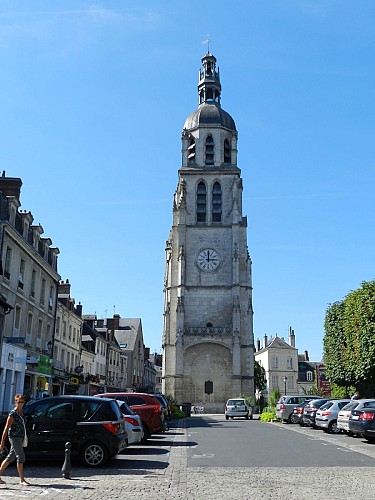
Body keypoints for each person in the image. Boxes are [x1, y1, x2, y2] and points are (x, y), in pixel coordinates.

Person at [0, 394, 31, 486]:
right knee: (20, 456)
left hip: (21, 437)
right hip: (14, 437)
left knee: (11, 457)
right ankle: (21, 479)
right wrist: (1, 444)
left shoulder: (22, 412)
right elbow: (6, 429)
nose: (20, 404)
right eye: (18, 402)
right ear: (15, 402)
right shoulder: (13, 414)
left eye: (22, 402)